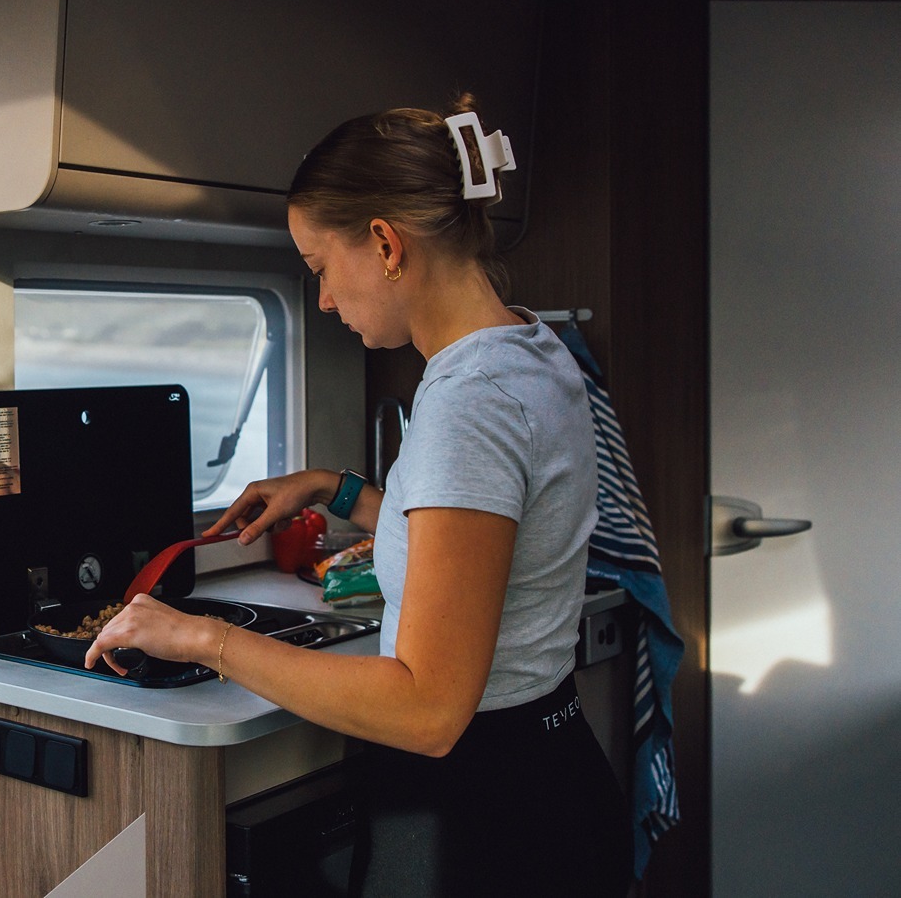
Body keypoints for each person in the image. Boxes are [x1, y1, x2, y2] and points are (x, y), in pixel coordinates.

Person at [84, 96, 631, 895]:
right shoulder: (529, 348)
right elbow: (477, 536)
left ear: (384, 244)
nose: (325, 302)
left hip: (481, 825)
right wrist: (334, 489)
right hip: (549, 775)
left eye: (319, 269)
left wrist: (206, 638)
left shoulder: (468, 403)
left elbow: (427, 710)